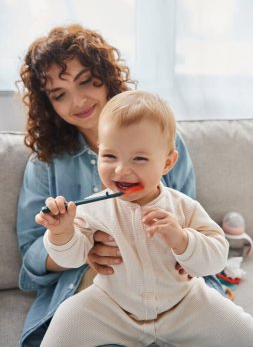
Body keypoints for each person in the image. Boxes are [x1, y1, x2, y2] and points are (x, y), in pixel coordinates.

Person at [16, 24, 223, 347]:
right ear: (48, 105)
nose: (78, 100)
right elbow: (30, 262)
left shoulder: (167, 142)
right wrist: (73, 240)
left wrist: (182, 244)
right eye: (59, 94)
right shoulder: (45, 162)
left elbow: (189, 218)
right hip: (99, 292)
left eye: (85, 82)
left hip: (168, 290)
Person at [37, 90, 253, 347]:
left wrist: (182, 239)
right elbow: (69, 258)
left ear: (167, 163)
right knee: (66, 318)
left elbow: (217, 257)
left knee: (243, 330)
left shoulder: (183, 206)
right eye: (109, 156)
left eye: (139, 158)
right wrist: (61, 232)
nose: (120, 169)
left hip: (184, 305)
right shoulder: (92, 211)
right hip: (113, 309)